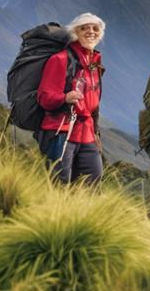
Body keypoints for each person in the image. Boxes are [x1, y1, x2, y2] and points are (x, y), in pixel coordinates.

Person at [36, 12, 106, 184]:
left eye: (95, 28)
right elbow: (45, 97)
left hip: (87, 133)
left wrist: (95, 131)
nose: (91, 32)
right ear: (76, 32)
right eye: (85, 28)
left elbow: (93, 102)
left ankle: (82, 211)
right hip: (61, 129)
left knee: (93, 178)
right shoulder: (60, 60)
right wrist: (65, 98)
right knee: (60, 182)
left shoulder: (94, 63)